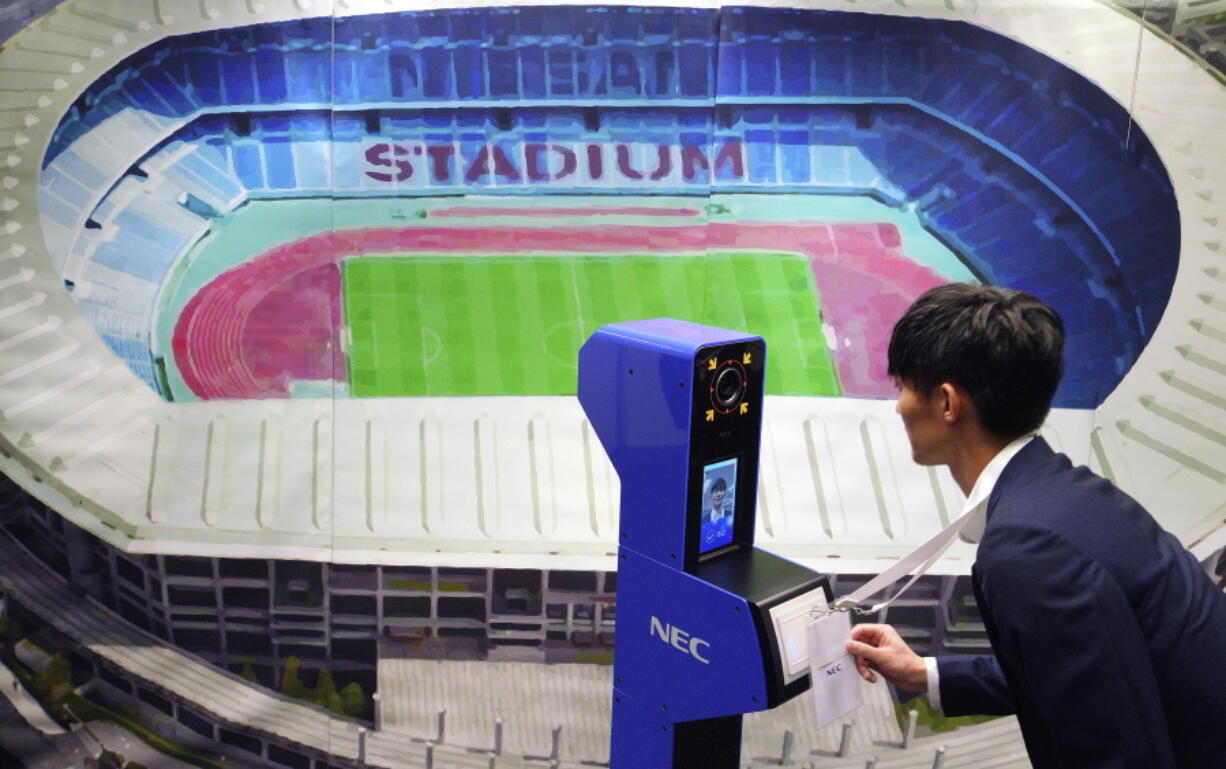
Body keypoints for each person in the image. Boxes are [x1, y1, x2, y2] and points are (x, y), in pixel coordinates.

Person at [844, 283, 1226, 769]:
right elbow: (1090, 674)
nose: (898, 405)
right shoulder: (1065, 492)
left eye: (901, 385)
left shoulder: (1027, 548)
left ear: (946, 402)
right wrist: (926, 674)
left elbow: (1114, 753)